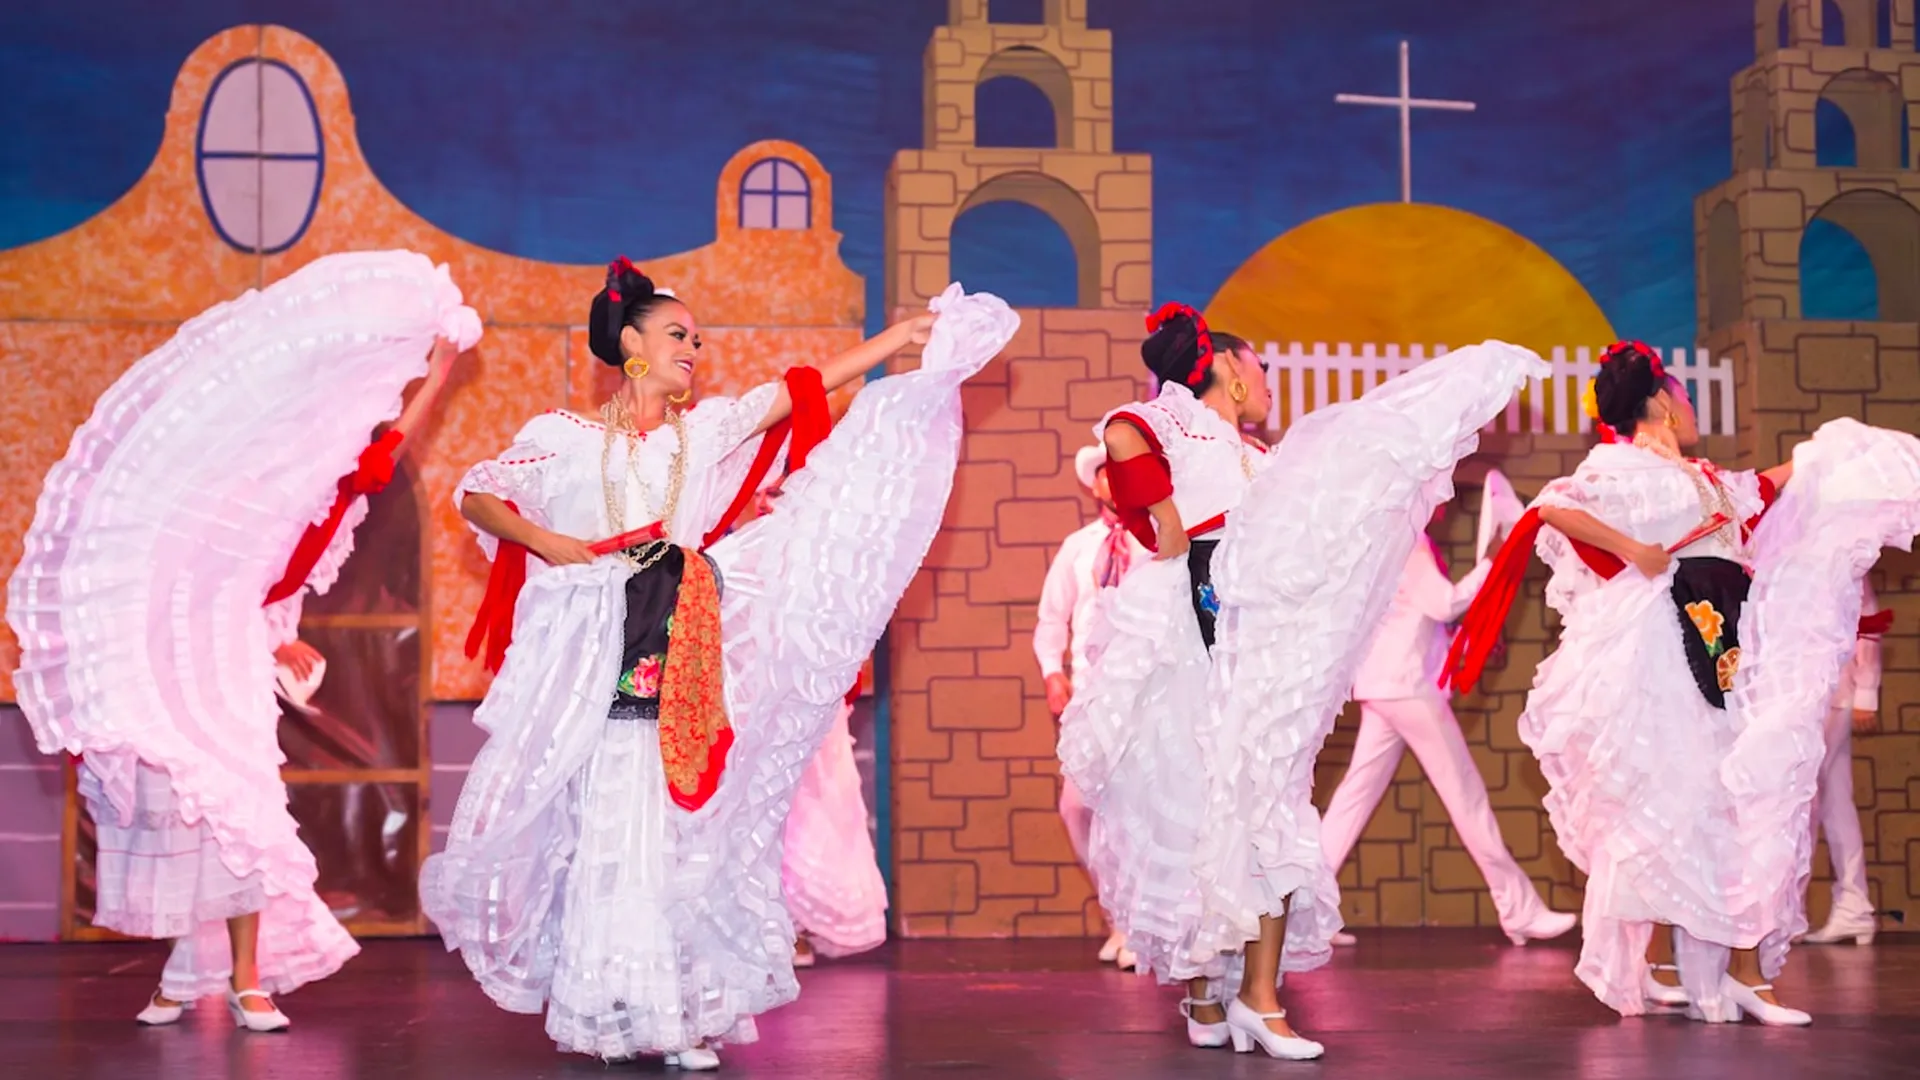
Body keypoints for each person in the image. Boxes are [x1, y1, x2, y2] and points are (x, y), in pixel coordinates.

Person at [421, 262, 1016, 1069]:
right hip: (598, 645)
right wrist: (551, 543)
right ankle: (617, 1005)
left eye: (698, 339)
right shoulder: (561, 437)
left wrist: (895, 342)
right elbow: (476, 493)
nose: (693, 348)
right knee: (610, 820)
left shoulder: (696, 436)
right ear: (630, 344)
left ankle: (679, 1010)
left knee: (678, 821)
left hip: (683, 635)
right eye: (677, 335)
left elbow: (791, 392)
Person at [1058, 304, 1543, 1061]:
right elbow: (1123, 438)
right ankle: (1204, 986)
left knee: (1273, 805)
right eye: (1260, 367)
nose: (1268, 381)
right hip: (1191, 630)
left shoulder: (1262, 456)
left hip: (1262, 645)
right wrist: (1167, 518)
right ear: (1225, 368)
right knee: (1197, 809)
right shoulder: (1169, 420)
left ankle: (1259, 995)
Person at [7, 251, 477, 1031]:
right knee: (182, 805)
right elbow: (191, 578)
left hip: (233, 659)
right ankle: (185, 973)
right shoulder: (231, 491)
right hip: (192, 648)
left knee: (244, 806)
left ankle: (248, 979)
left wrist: (443, 367)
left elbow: (388, 449)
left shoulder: (329, 486)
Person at [1443, 340, 1920, 1027]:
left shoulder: (1700, 475)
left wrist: (1824, 455)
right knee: (1705, 804)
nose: (1690, 407)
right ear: (1662, 401)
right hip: (1671, 653)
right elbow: (1552, 506)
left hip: (1723, 641)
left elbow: (1760, 489)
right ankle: (1734, 975)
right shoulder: (1620, 467)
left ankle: (1709, 970)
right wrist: (1631, 547)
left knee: (1728, 803)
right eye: (1683, 395)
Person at [1320, 501, 1576, 948]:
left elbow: (1415, 617)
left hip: (1388, 682)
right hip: (1408, 686)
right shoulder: (1408, 542)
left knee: (1352, 800)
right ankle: (1519, 909)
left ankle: (1306, 915)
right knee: (1466, 796)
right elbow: (1444, 604)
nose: (1444, 500)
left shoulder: (1381, 537)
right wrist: (1491, 563)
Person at [1033, 442, 1148, 969]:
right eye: (1107, 474)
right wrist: (1052, 673)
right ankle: (1119, 915)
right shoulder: (1079, 547)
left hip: (1146, 696)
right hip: (1088, 698)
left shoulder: (1158, 540)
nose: (1114, 481)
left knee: (1141, 813)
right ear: (1095, 484)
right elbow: (1051, 618)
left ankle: (1143, 924)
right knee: (1077, 807)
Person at [783, 669, 888, 968]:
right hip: (760, 684)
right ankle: (775, 926)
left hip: (813, 688)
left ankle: (796, 925)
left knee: (814, 800)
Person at [1801, 580, 1885, 946]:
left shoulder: (1838, 539)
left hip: (1827, 691)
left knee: (1800, 802)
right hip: (1813, 691)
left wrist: (1867, 690)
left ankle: (1788, 915)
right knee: (1835, 803)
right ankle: (1854, 906)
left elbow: (1867, 619)